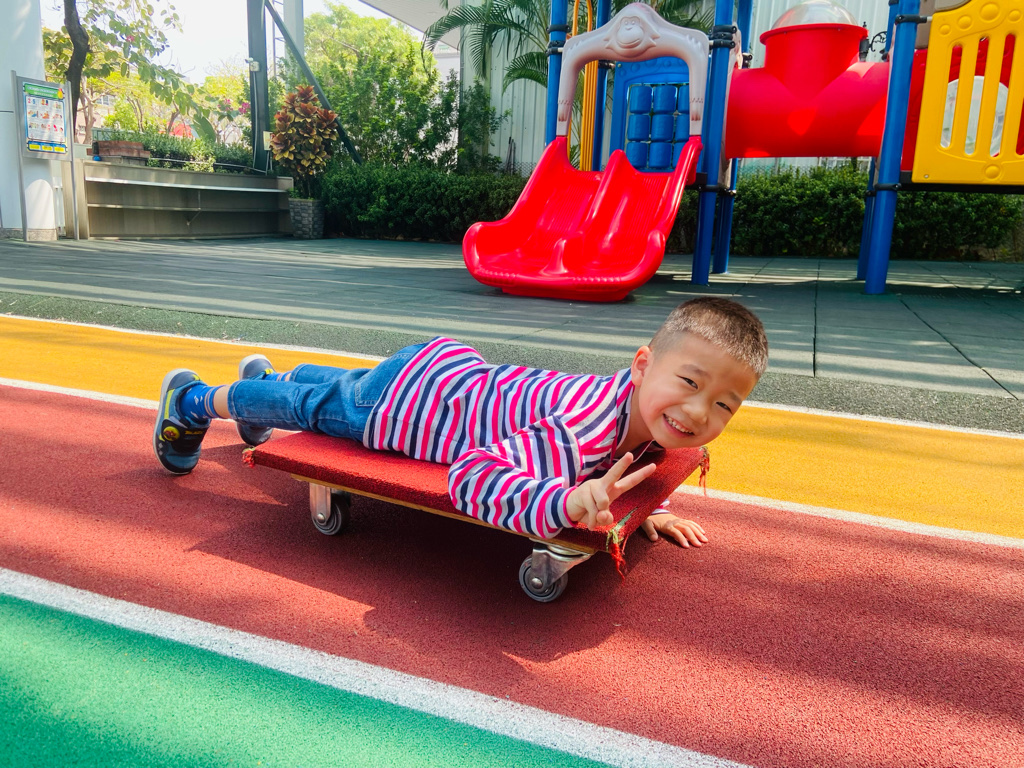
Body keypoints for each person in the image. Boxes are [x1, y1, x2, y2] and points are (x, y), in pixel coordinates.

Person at [154, 297, 767, 547]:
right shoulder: (580, 429)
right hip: (407, 406)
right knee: (312, 409)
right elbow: (473, 475)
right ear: (642, 365)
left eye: (724, 404)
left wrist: (650, 509)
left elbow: (633, 456)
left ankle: (270, 377)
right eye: (690, 383)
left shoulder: (641, 415)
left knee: (337, 388)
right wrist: (563, 503)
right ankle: (194, 400)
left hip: (451, 371)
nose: (697, 413)